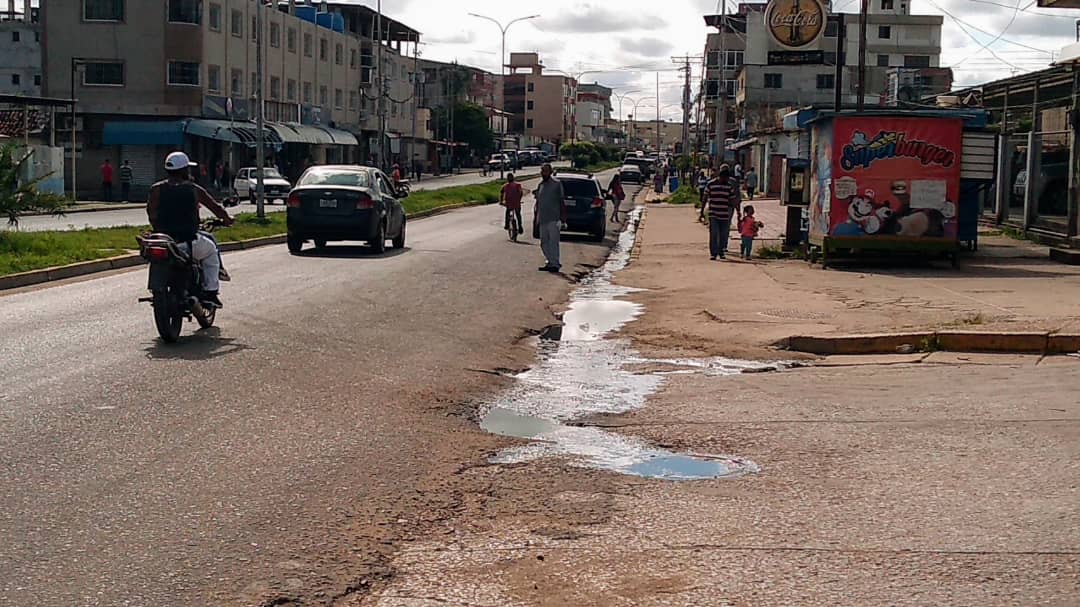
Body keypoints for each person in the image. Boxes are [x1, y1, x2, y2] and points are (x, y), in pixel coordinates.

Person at [147, 152, 234, 308]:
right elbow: (215, 208)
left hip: (165, 241)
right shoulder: (194, 189)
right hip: (187, 241)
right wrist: (227, 219)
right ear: (183, 170)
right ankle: (210, 292)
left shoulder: (156, 189)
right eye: (187, 169)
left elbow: (151, 212)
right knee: (211, 251)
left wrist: (158, 228)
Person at [701, 164, 741, 260]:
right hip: (713, 213)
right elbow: (705, 197)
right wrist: (702, 211)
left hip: (724, 213)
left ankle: (721, 251)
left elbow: (733, 199)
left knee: (723, 234)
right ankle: (713, 253)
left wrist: (738, 210)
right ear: (722, 176)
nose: (727, 180)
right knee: (714, 233)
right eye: (726, 178)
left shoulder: (729, 186)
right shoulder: (711, 184)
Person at [534, 163, 565, 272]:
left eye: (546, 171)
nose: (543, 173)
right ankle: (550, 261)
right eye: (542, 171)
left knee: (553, 242)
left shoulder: (557, 184)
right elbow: (538, 202)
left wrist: (563, 217)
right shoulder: (541, 185)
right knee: (543, 242)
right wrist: (536, 217)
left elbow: (561, 201)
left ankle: (555, 264)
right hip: (543, 218)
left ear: (550, 172)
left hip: (553, 218)